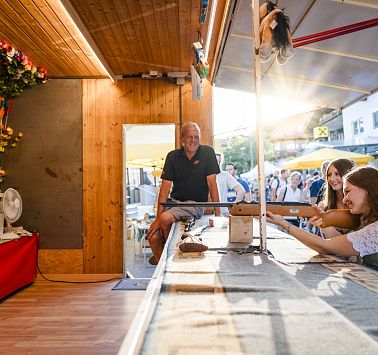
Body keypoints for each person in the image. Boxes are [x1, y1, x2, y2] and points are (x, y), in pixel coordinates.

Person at [267, 166, 378, 270]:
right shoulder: (367, 220)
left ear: (367, 189)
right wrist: (324, 221)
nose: (344, 199)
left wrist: (284, 224)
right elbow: (339, 247)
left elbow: (326, 247)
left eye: (347, 192)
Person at [147, 122, 221, 264]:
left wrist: (218, 215)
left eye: (196, 137)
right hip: (174, 203)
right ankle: (163, 265)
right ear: (182, 140)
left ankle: (171, 253)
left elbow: (212, 184)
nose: (193, 140)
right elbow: (164, 189)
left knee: (164, 219)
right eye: (189, 137)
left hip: (195, 204)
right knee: (153, 237)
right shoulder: (172, 156)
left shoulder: (207, 152)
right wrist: (156, 220)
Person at [317, 158, 354, 239]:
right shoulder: (323, 206)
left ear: (348, 175)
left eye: (337, 174)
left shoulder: (361, 204)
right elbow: (326, 241)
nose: (332, 179)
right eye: (329, 175)